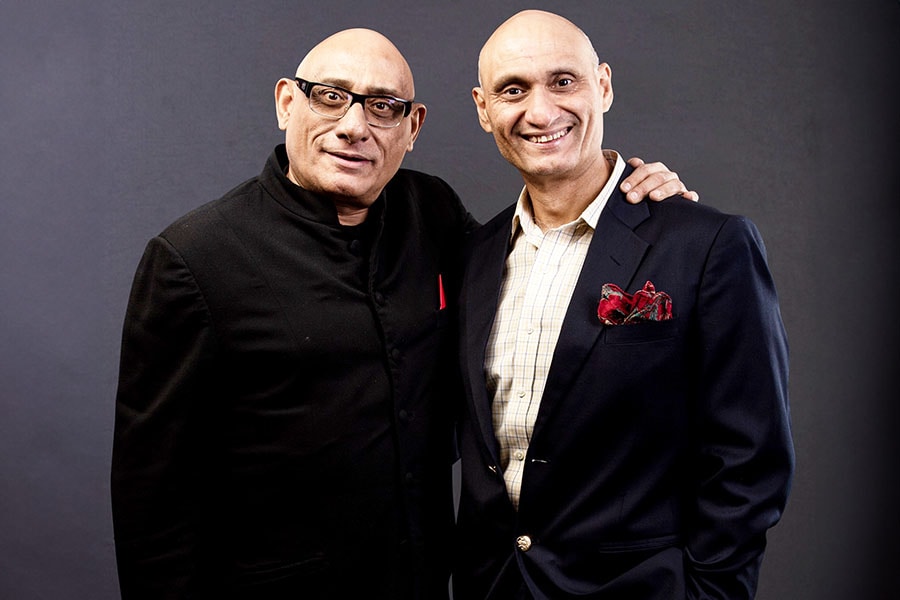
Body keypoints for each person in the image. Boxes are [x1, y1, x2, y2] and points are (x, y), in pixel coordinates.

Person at [111, 27, 694, 600]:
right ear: (288, 103)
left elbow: (533, 276)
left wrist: (625, 195)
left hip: (427, 580)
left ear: (411, 127)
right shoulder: (195, 257)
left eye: (383, 107)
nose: (353, 127)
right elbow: (152, 497)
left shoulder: (431, 212)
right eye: (331, 96)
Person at [453, 10, 794, 600]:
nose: (540, 112)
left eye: (564, 81)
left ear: (603, 86)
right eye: (514, 90)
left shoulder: (705, 245)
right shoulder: (470, 255)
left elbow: (750, 460)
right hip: (493, 587)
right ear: (484, 110)